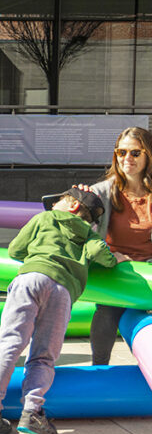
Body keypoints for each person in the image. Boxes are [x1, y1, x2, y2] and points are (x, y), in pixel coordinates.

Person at [0, 187, 118, 434]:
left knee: (10, 346)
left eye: (57, 202)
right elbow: (98, 254)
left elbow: (15, 250)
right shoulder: (87, 233)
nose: (51, 206)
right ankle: (32, 412)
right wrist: (116, 259)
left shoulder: (42, 219)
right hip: (62, 290)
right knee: (43, 355)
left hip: (30, 279)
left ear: (72, 205)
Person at [76, 127, 152, 365]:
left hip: (149, 272)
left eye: (135, 153)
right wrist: (81, 201)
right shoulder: (102, 192)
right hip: (115, 268)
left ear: (148, 155)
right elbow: (71, 221)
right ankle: (99, 369)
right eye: (121, 152)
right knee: (107, 314)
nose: (127, 158)